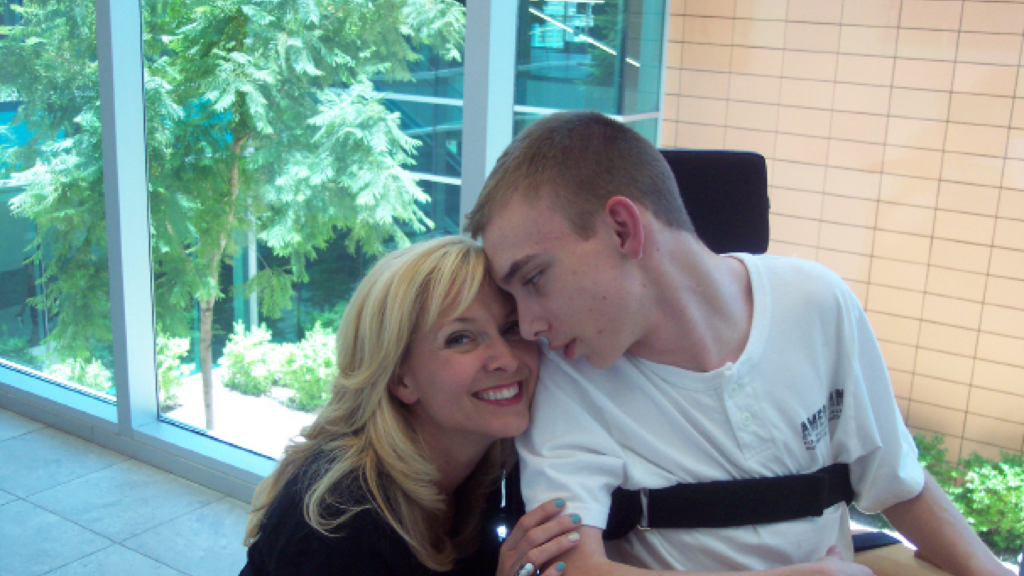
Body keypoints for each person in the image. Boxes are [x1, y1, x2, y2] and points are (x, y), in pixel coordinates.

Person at [465, 111, 1013, 576]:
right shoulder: (569, 371)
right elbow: (574, 568)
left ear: (623, 230)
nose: (530, 326)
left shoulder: (818, 304)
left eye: (534, 279)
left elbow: (899, 485)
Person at [240, 236, 582, 576]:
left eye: (510, 328)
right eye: (460, 338)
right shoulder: (339, 520)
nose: (506, 359)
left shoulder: (490, 459)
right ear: (400, 378)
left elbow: (621, 513)